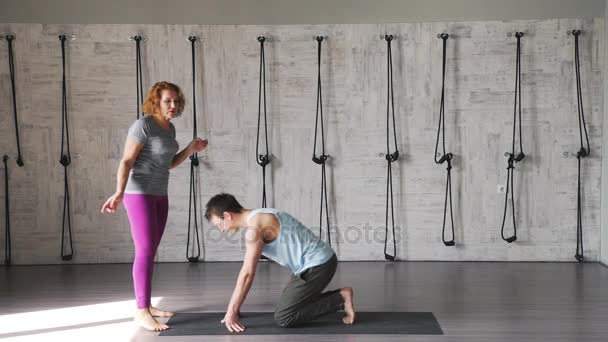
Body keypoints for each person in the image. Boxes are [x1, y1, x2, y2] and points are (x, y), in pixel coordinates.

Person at [101, 81, 208, 331]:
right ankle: (141, 310)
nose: (173, 105)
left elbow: (168, 164)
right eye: (167, 101)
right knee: (145, 250)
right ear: (156, 101)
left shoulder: (169, 129)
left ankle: (147, 305)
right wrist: (119, 192)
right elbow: (127, 161)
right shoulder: (143, 125)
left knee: (151, 250)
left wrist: (190, 149)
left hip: (160, 193)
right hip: (138, 193)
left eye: (176, 101)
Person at [204, 193, 356, 333]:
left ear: (227, 215)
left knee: (285, 317)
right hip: (320, 261)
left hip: (318, 266)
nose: (222, 230)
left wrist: (231, 311)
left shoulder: (255, 229)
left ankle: (340, 298)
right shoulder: (262, 213)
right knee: (292, 304)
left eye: (219, 225)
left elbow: (247, 274)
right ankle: (339, 296)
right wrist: (235, 308)